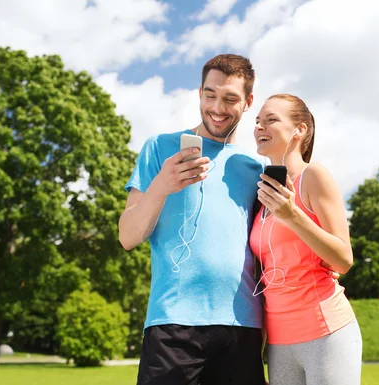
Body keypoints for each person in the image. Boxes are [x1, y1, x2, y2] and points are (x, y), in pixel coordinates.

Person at [118, 54, 267, 385]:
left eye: (230, 99)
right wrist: (163, 184)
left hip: (241, 328)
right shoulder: (160, 148)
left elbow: (262, 255)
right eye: (210, 94)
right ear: (200, 92)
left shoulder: (254, 168)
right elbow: (128, 236)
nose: (217, 107)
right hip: (172, 323)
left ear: (248, 102)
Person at [251, 94, 362, 385]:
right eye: (258, 121)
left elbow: (343, 259)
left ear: (299, 129)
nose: (260, 126)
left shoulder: (314, 176)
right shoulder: (262, 193)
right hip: (278, 342)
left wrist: (292, 215)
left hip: (325, 332)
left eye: (271, 119)